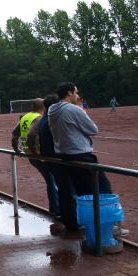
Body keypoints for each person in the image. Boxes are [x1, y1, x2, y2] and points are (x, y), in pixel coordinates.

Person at [48, 82, 113, 231]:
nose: (78, 96)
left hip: (64, 157)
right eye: (76, 93)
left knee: (83, 195)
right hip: (81, 156)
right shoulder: (74, 110)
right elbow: (93, 129)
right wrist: (81, 111)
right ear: (69, 93)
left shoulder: (52, 109)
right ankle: (108, 227)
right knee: (103, 191)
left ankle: (90, 226)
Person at [12, 99, 60, 219]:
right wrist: (35, 152)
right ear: (44, 107)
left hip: (30, 155)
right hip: (39, 156)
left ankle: (56, 208)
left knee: (51, 180)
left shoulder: (25, 117)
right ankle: (56, 210)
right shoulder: (38, 118)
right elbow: (31, 135)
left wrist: (16, 149)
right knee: (52, 181)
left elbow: (14, 133)